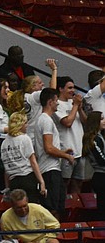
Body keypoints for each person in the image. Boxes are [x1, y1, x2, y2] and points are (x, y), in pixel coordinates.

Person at [29, 88, 75, 216]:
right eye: (56, 100)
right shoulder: (46, 120)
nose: (58, 103)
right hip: (49, 170)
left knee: (58, 205)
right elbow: (48, 148)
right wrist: (66, 156)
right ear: (50, 102)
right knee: (52, 208)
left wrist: (62, 152)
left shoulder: (45, 119)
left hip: (52, 168)